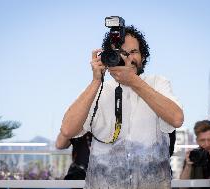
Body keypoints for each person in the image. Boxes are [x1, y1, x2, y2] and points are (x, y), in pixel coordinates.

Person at [56, 25, 184, 189]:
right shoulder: (96, 90)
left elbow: (176, 118)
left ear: (143, 56)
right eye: (120, 53)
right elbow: (67, 130)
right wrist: (96, 81)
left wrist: (133, 81)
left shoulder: (158, 83)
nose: (127, 58)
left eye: (133, 52)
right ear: (108, 58)